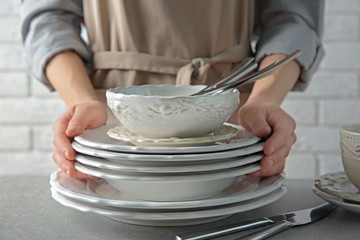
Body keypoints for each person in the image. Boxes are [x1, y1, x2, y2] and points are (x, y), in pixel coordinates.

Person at [20, 0, 324, 179]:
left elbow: (293, 16)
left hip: (233, 116)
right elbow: (48, 18)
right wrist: (80, 100)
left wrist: (266, 99)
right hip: (110, 116)